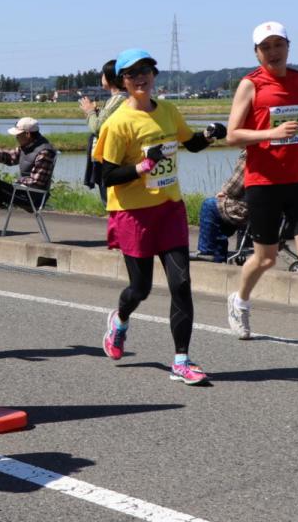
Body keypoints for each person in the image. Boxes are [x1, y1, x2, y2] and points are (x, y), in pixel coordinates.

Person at [93, 49, 223, 385]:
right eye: (132, 73)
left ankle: (181, 360)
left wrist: (209, 135)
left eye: (146, 71)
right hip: (132, 213)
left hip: (169, 208)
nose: (140, 77)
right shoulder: (118, 123)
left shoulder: (167, 110)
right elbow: (106, 175)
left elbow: (189, 142)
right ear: (123, 81)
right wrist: (142, 165)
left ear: (154, 75)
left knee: (181, 284)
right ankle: (120, 320)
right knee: (141, 288)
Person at [223, 22, 298, 355]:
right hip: (263, 182)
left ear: (288, 46)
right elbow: (232, 134)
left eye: (279, 45)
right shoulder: (250, 84)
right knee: (266, 259)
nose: (273, 52)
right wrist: (268, 135)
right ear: (256, 52)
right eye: (266, 47)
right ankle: (240, 300)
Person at [80, 59, 128, 203]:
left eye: (103, 74)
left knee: (110, 202)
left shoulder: (117, 99)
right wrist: (97, 111)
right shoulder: (122, 98)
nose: (101, 77)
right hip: (115, 157)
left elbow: (97, 127)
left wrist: (89, 111)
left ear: (110, 77)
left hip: (109, 158)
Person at [195, 150, 247, 262]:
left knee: (209, 205)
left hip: (248, 208)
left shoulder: (250, 153)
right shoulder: (274, 149)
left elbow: (234, 188)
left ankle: (207, 253)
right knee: (220, 208)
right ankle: (218, 256)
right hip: (268, 206)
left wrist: (224, 191)